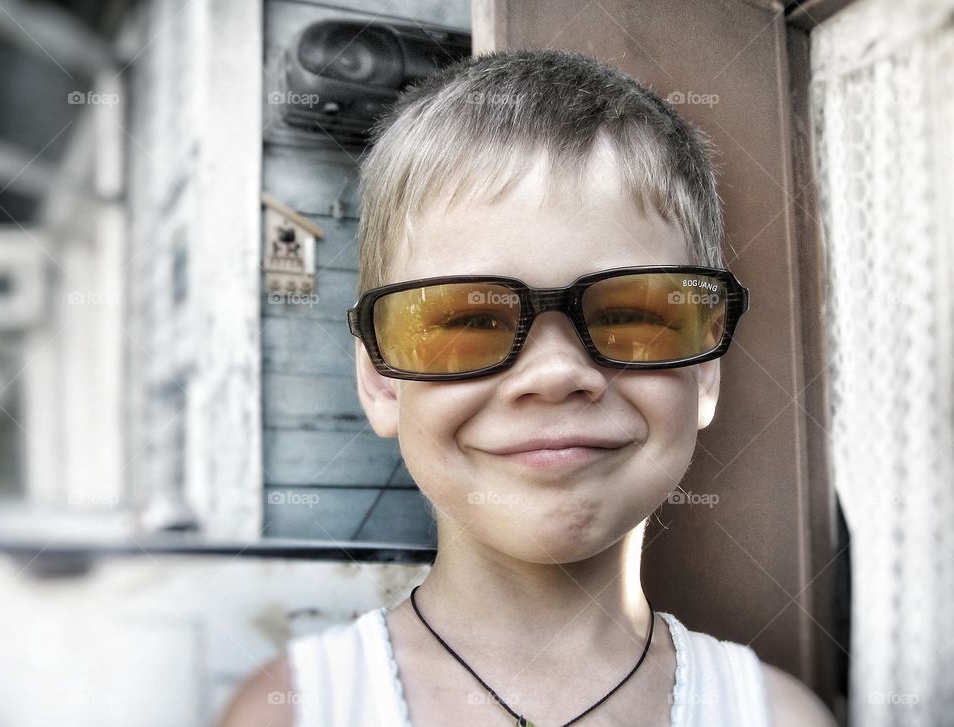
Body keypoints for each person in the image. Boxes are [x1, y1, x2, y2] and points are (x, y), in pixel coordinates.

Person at [220, 48, 837, 727]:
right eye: (469, 318)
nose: (554, 374)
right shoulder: (292, 712)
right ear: (380, 377)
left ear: (706, 371)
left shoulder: (778, 716)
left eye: (633, 313)